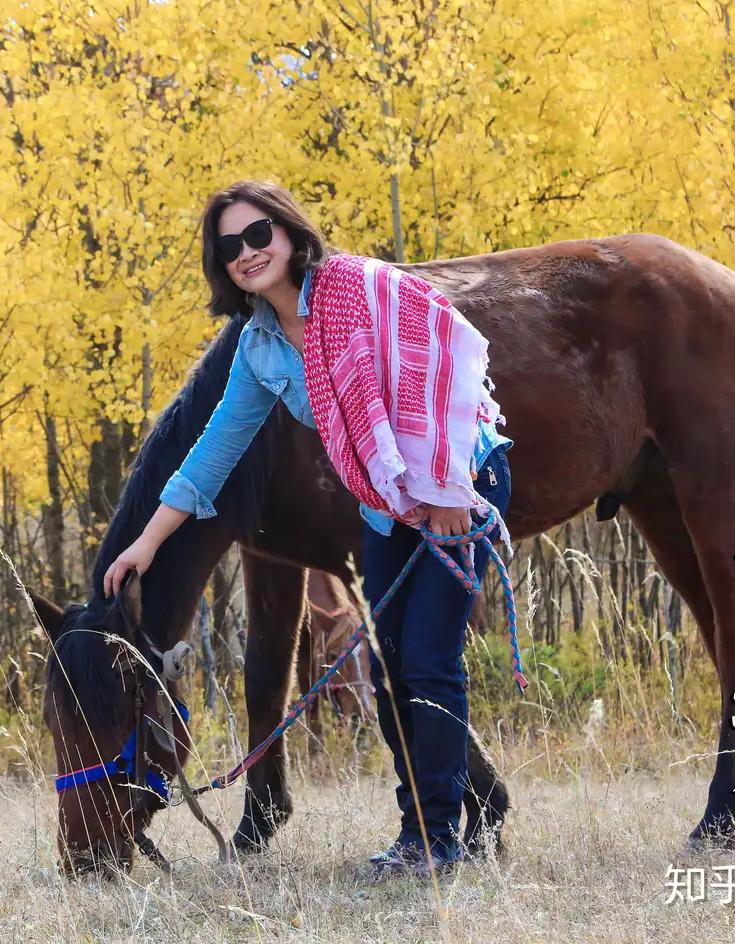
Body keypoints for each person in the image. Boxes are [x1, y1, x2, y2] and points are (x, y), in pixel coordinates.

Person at [104, 179, 512, 877]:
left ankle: (446, 841)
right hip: (387, 501)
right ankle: (422, 833)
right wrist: (148, 540)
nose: (247, 253)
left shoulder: (352, 285)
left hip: (455, 480)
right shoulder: (261, 347)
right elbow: (214, 451)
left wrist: (447, 488)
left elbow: (450, 357)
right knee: (388, 671)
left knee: (428, 662)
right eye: (229, 245)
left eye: (258, 234)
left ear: (289, 232)